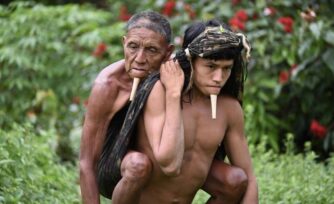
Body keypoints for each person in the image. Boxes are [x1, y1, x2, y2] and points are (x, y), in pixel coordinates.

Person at [80, 10, 249, 204]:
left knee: (232, 179)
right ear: (123, 43)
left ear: (168, 53)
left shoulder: (174, 76)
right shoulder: (109, 85)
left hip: (164, 162)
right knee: (138, 165)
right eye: (133, 47)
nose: (140, 58)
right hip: (122, 164)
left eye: (152, 50)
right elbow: (87, 162)